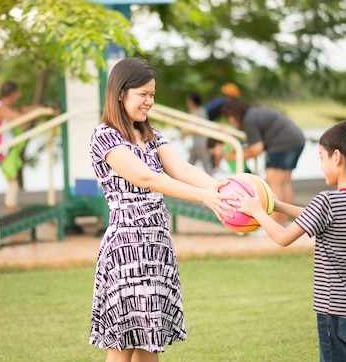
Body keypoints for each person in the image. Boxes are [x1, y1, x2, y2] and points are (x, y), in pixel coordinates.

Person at [88, 57, 236, 361]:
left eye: (152, 95)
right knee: (122, 343)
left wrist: (219, 189)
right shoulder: (104, 135)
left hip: (157, 245)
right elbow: (147, 177)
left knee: (150, 341)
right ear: (120, 93)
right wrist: (201, 197)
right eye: (142, 94)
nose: (149, 102)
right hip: (126, 247)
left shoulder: (152, 135)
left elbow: (180, 168)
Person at [235, 120, 346, 362]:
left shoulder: (327, 202)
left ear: (336, 157)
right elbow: (320, 217)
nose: (321, 166)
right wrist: (277, 205)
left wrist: (258, 212)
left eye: (321, 157)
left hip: (336, 312)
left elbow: (283, 237)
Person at [220, 97, 305, 224]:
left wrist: (233, 157)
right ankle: (283, 221)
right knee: (284, 183)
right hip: (296, 139)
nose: (231, 121)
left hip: (281, 144)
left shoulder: (249, 119)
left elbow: (256, 148)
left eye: (229, 118)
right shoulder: (254, 113)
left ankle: (274, 222)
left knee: (274, 184)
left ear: (233, 116)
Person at [0, 81, 43, 213]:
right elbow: (19, 118)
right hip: (3, 151)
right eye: (18, 94)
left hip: (5, 147)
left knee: (12, 183)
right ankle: (11, 212)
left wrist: (41, 108)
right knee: (13, 184)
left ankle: (12, 210)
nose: (18, 97)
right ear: (14, 94)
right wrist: (39, 112)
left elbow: (21, 111)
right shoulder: (0, 109)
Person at [182, 92, 213, 173]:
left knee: (206, 162)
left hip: (202, 142)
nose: (187, 103)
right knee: (191, 162)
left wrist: (185, 134)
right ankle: (185, 177)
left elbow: (196, 127)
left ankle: (211, 181)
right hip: (196, 142)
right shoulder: (194, 112)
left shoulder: (200, 112)